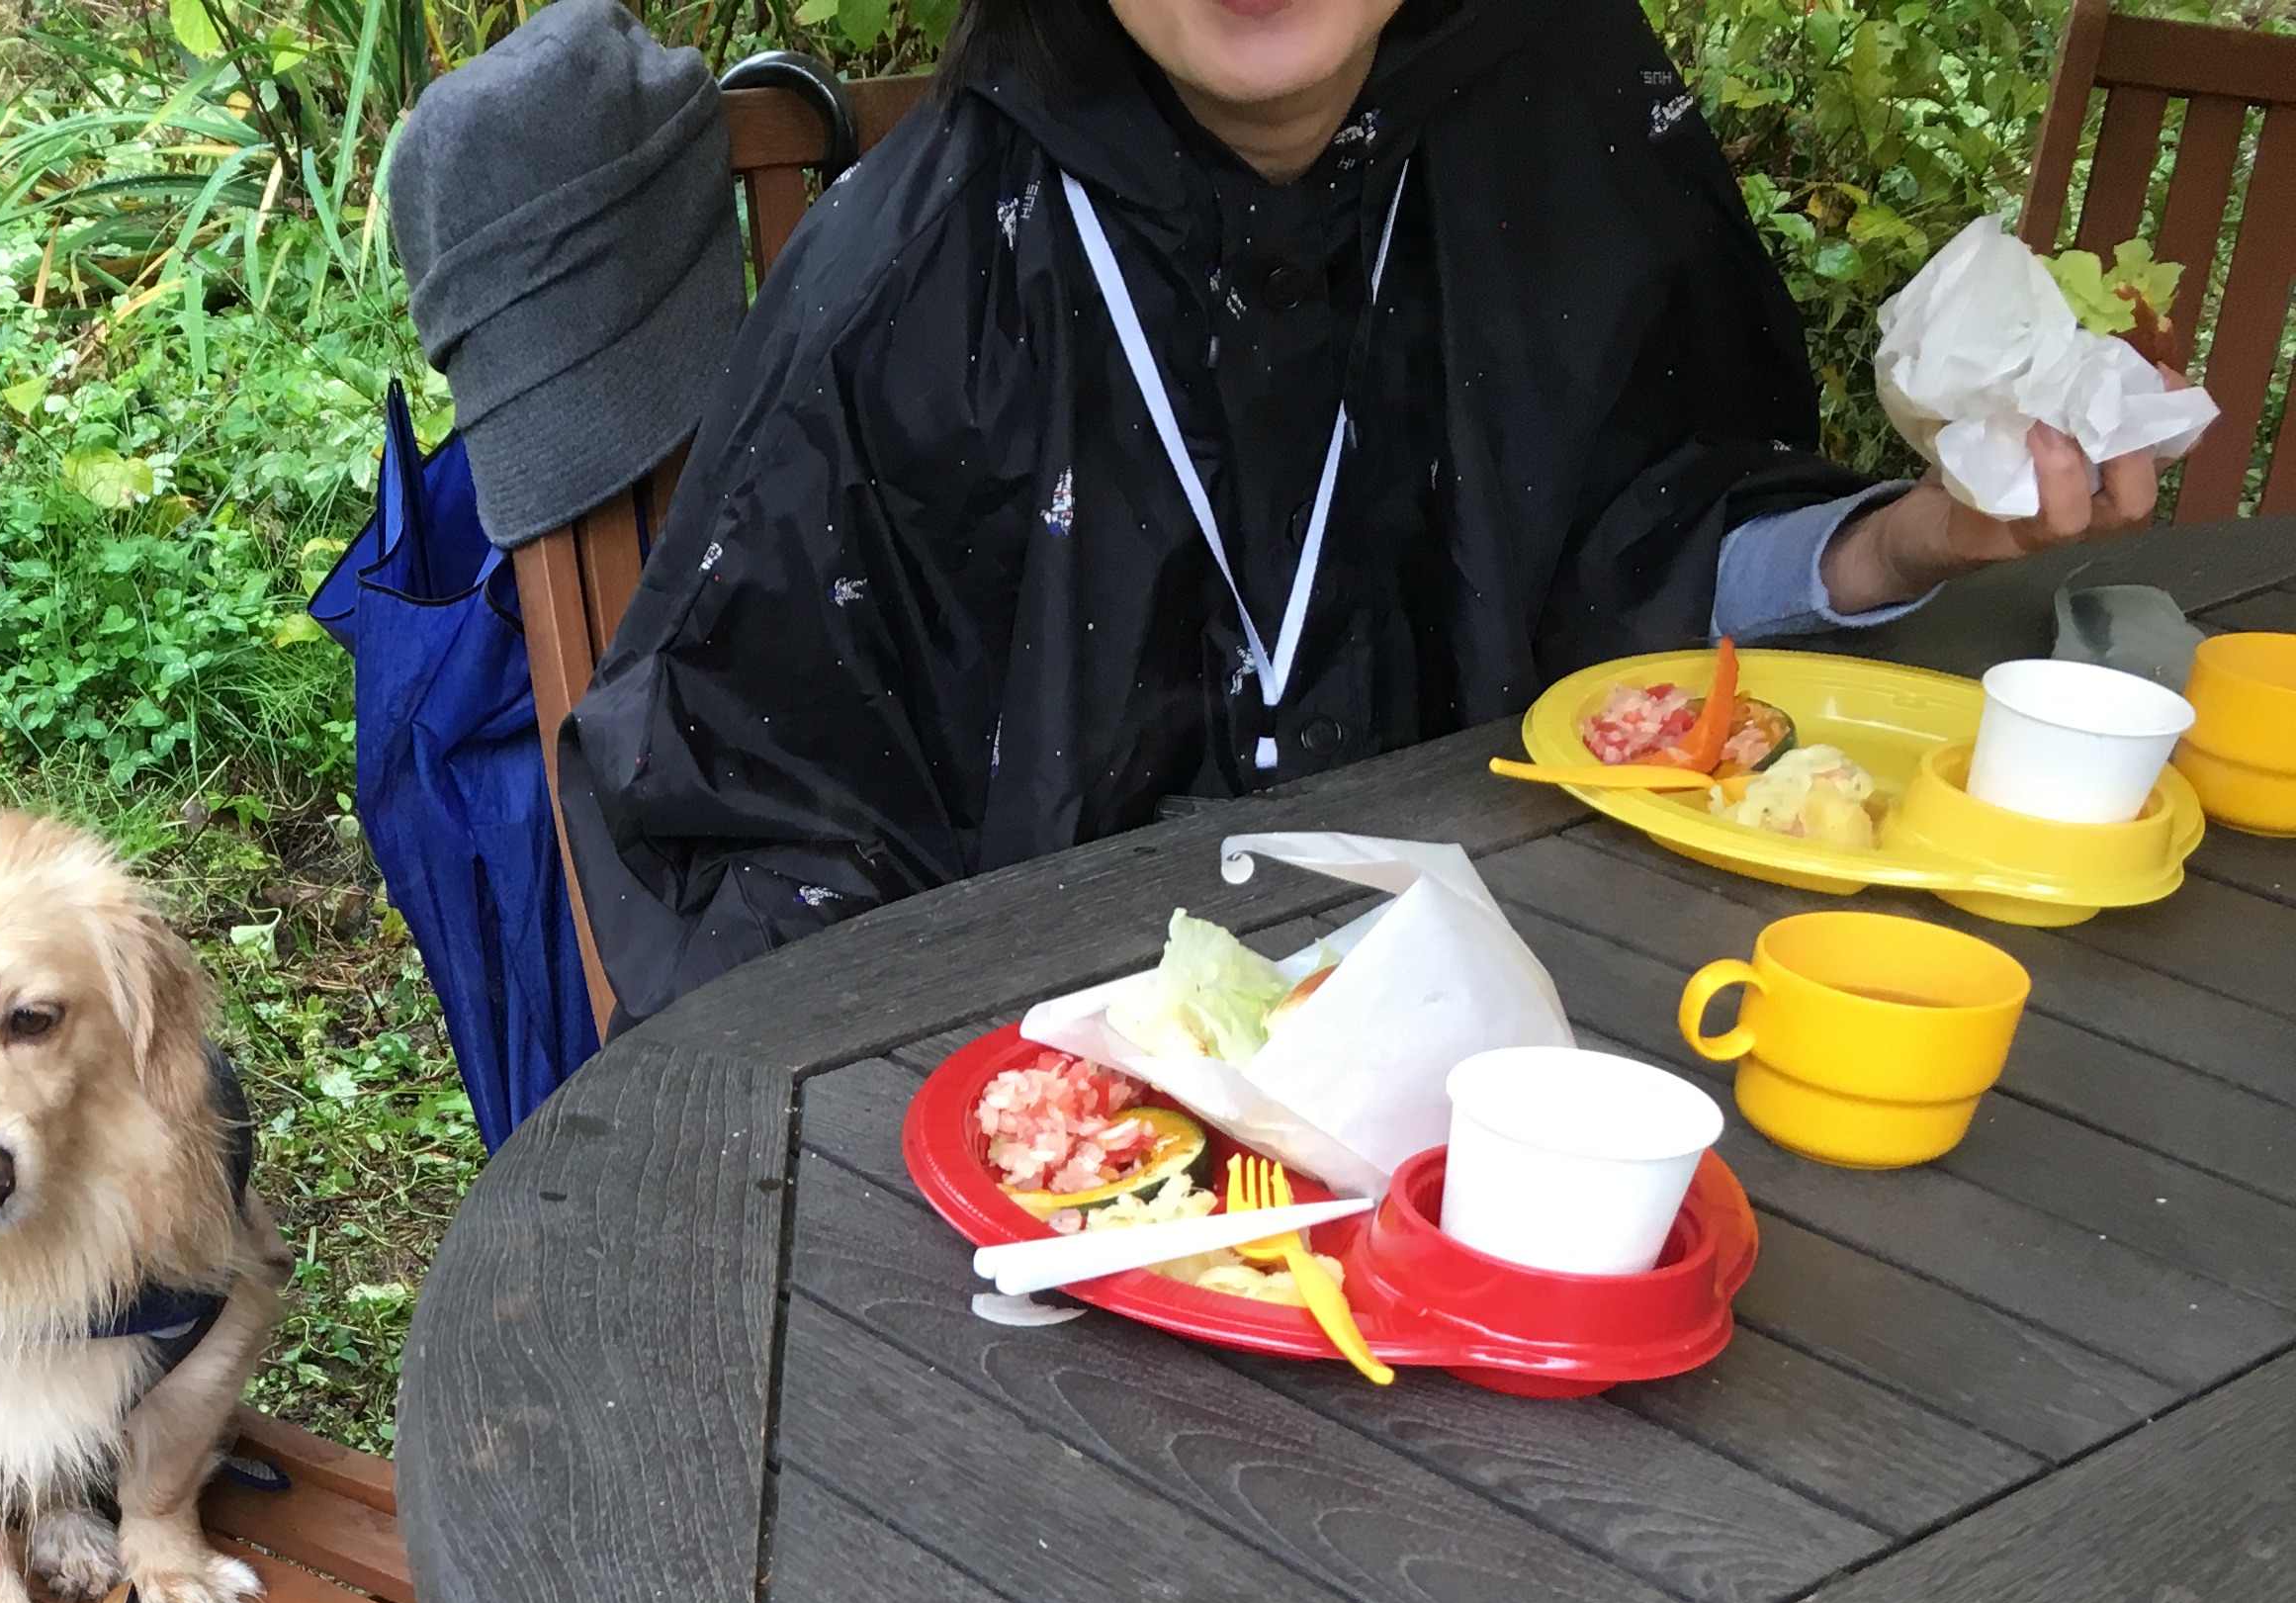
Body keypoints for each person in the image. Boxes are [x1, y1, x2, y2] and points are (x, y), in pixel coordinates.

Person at [558, 0, 2163, 1021]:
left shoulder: (1565, 123)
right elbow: (743, 805)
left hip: (1551, 1039)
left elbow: (1636, 557)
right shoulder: (923, 274)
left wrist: (1899, 543)